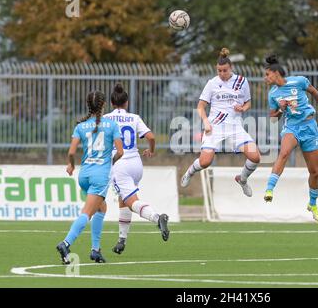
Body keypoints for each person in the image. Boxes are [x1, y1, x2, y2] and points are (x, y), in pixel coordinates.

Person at [263, 55, 318, 222]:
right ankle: (269, 189)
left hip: (309, 127)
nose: (265, 78)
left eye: (267, 75)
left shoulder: (299, 81)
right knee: (284, 153)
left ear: (275, 73)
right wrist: (280, 109)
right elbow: (273, 117)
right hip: (292, 127)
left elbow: (314, 92)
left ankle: (313, 204)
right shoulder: (273, 94)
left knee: (315, 172)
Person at [180, 48, 261, 196]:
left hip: (235, 127)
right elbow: (200, 106)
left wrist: (243, 108)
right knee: (205, 162)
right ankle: (190, 172)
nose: (222, 74)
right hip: (214, 126)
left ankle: (242, 179)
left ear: (231, 68)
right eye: (219, 71)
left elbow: (248, 103)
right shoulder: (212, 83)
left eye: (225, 70)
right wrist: (205, 122)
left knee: (255, 157)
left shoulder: (241, 81)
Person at [56, 90, 124, 264]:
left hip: (84, 174)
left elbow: (71, 152)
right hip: (99, 176)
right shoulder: (111, 125)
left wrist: (71, 164)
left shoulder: (80, 126)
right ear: (103, 105)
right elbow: (120, 152)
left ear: (88, 106)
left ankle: (95, 250)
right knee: (87, 213)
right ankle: (65, 243)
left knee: (101, 209)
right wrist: (111, 161)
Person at [104, 84, 169, 255]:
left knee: (131, 201)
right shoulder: (134, 117)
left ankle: (157, 218)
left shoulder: (106, 119)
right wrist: (152, 150)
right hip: (136, 164)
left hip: (119, 164)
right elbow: (151, 137)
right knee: (123, 200)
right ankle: (121, 241)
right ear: (126, 103)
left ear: (112, 103)